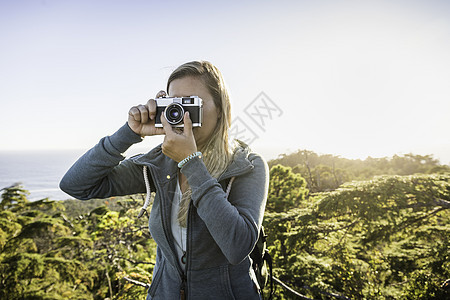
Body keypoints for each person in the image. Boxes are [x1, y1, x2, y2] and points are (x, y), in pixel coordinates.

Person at [60, 60, 269, 299]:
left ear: (221, 109)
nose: (181, 115)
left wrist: (191, 162)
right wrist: (129, 132)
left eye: (192, 104)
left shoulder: (247, 166)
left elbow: (237, 246)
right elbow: (76, 185)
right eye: (175, 104)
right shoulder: (159, 164)